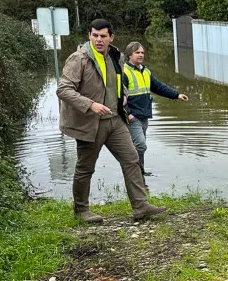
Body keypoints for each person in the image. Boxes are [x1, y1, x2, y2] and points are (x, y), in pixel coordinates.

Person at [56, 19, 167, 223]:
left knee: (131, 159)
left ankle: (140, 206)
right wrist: (91, 105)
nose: (98, 40)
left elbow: (117, 83)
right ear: (89, 35)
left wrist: (123, 95)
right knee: (85, 167)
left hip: (115, 120)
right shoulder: (78, 59)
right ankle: (81, 210)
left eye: (103, 36)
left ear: (111, 38)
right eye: (95, 35)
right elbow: (63, 90)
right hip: (90, 122)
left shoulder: (116, 56)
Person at [123, 41, 189, 177]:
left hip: (144, 115)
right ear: (130, 54)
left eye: (142, 52)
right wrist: (128, 113)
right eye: (137, 52)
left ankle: (139, 172)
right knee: (140, 145)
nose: (140, 55)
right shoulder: (124, 71)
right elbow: (118, 96)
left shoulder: (146, 71)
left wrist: (177, 95)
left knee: (139, 146)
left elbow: (159, 87)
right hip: (132, 116)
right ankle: (133, 171)